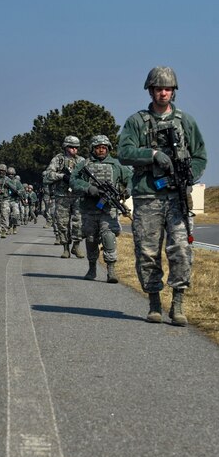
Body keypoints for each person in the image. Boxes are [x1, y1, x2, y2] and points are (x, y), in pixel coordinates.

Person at [118, 66, 207, 324]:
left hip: (177, 196)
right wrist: (153, 154)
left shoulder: (186, 122)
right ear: (151, 90)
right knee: (147, 252)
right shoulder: (136, 122)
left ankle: (177, 304)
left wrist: (188, 177)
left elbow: (200, 155)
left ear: (173, 91)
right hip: (148, 197)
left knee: (180, 250)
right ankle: (154, 303)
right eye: (158, 88)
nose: (163, 93)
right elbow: (124, 153)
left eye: (167, 88)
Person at [70, 135, 133, 283]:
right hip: (89, 208)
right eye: (98, 147)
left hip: (108, 209)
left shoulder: (117, 165)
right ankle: (92, 268)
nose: (101, 150)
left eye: (104, 147)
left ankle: (111, 271)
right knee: (91, 239)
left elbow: (131, 178)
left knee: (108, 236)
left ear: (108, 149)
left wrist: (128, 189)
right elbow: (73, 180)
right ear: (93, 148)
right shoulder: (84, 164)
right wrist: (88, 187)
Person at [43, 136, 85, 258]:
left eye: (76, 147)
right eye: (72, 147)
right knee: (62, 223)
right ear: (66, 147)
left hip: (77, 196)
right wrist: (62, 176)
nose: (74, 150)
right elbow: (48, 176)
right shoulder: (58, 159)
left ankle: (76, 247)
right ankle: (65, 248)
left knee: (79, 222)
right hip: (62, 196)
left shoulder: (82, 161)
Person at [6, 166, 24, 234]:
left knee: (15, 214)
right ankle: (8, 227)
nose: (10, 175)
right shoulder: (5, 181)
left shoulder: (17, 182)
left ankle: (15, 226)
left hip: (14, 200)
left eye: (12, 174)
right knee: (7, 215)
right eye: (9, 174)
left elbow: (22, 190)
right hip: (6, 200)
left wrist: (18, 192)